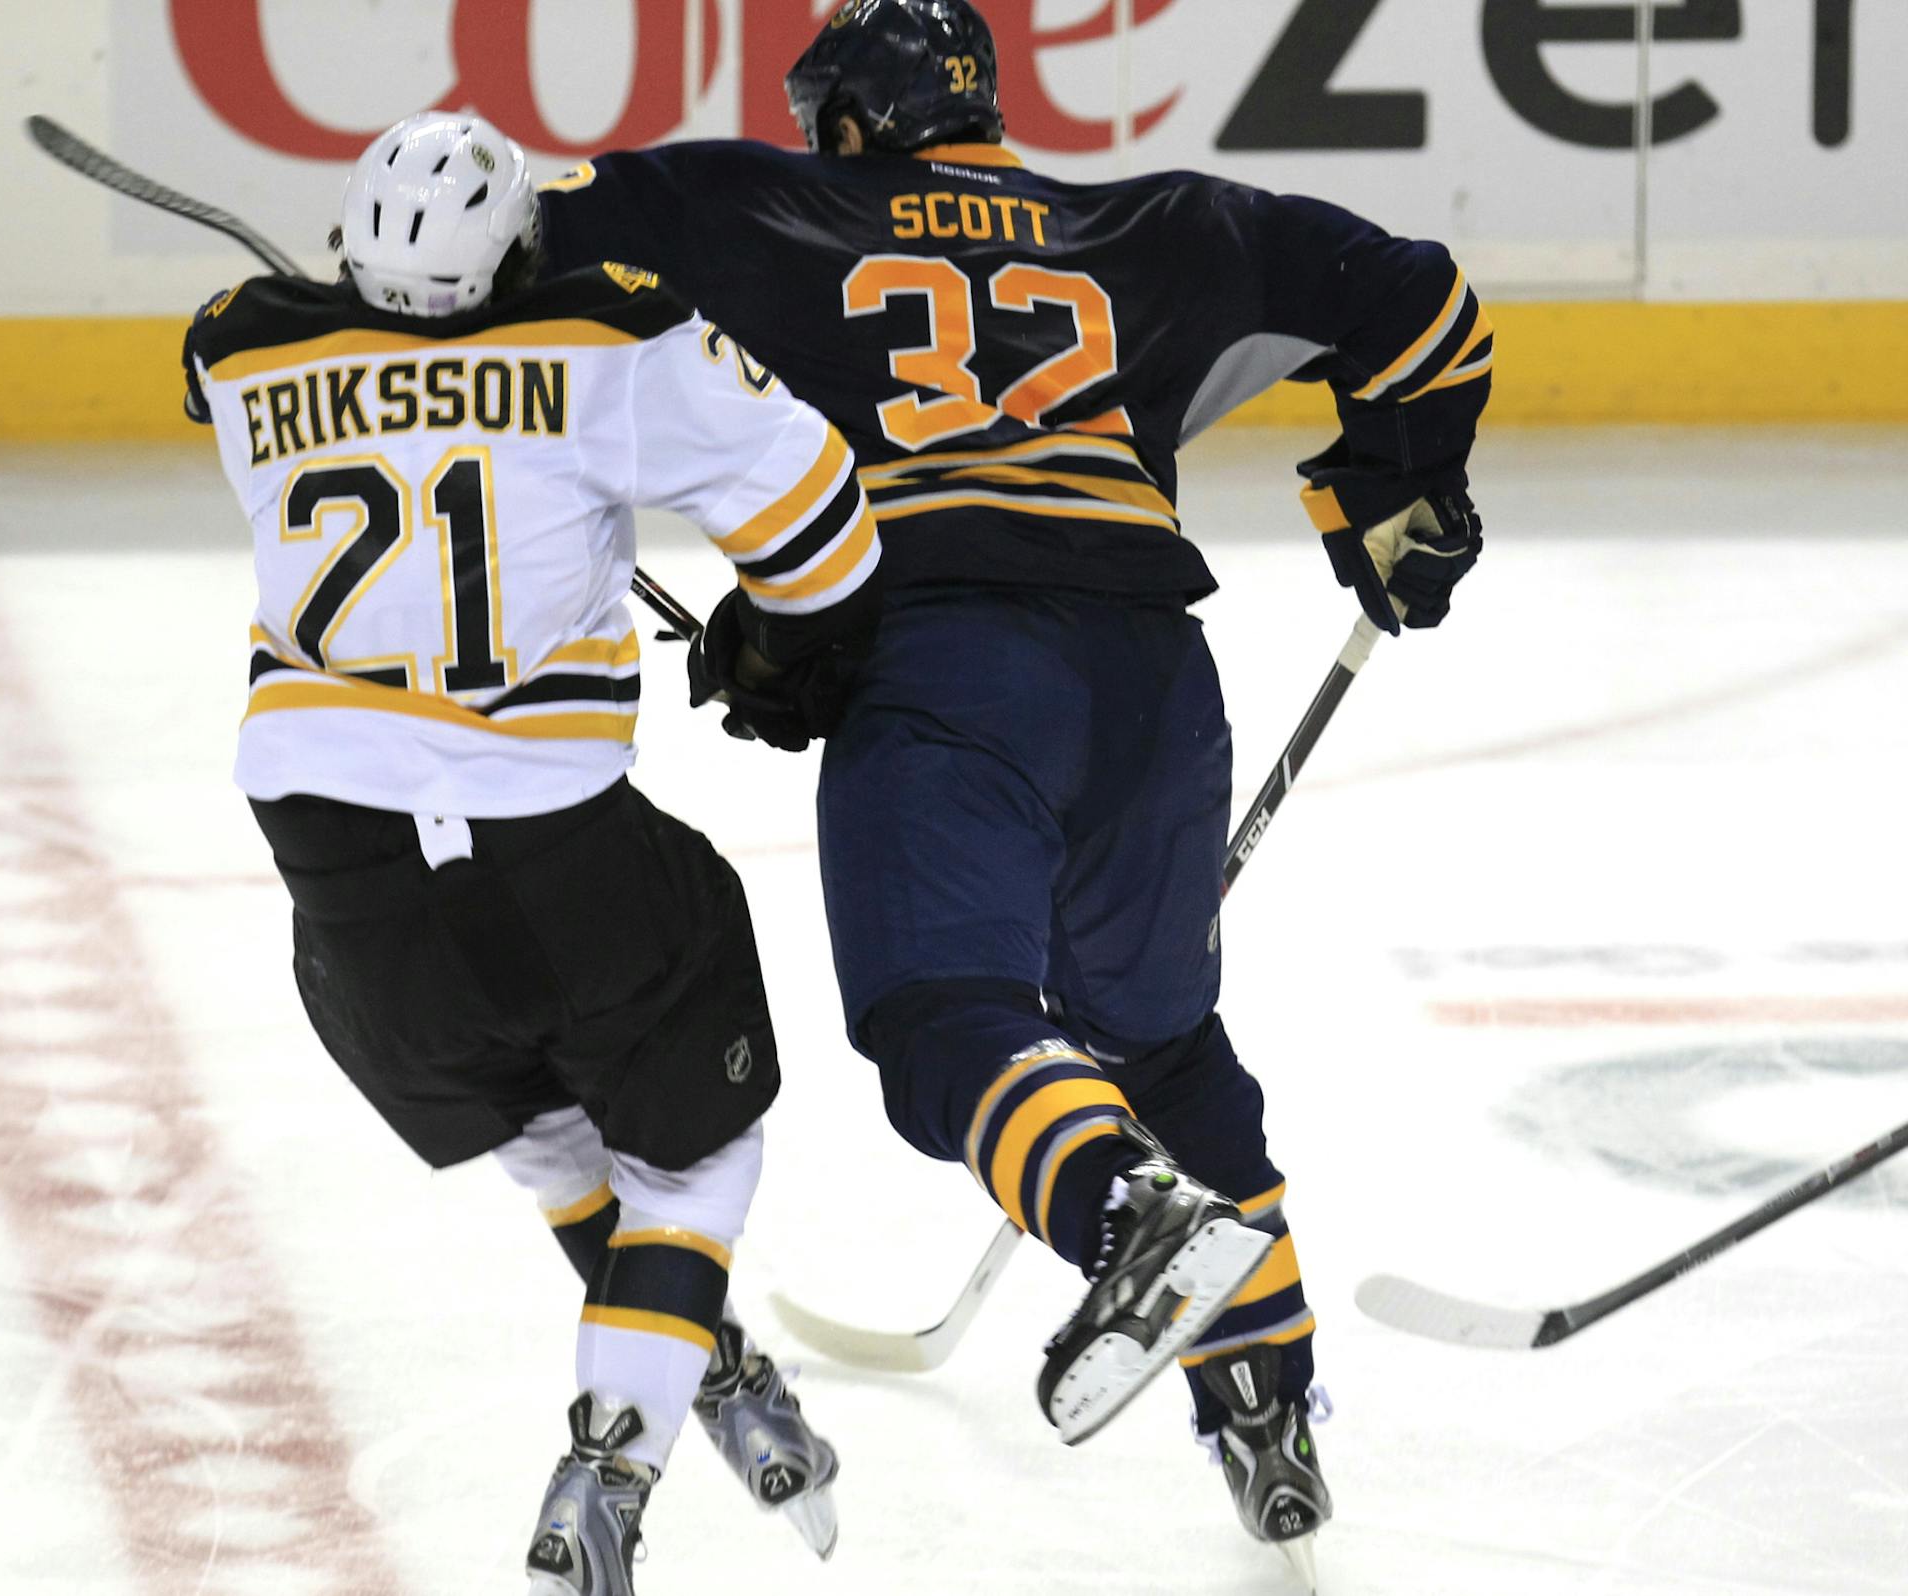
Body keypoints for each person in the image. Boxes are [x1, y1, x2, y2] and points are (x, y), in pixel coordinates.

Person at [533, 0, 1492, 1581]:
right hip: (1155, 692)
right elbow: (1424, 303)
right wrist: (1393, 489)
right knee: (1163, 1044)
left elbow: (526, 246)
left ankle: (1128, 1218)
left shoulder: (763, 203)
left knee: (947, 1025)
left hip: (949, 669)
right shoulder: (1161, 222)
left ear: (848, 119)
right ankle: (1266, 1394)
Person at [180, 112, 878, 1595]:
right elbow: (824, 529)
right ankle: (611, 1468)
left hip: (337, 873)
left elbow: (243, 354)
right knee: (697, 1157)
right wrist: (777, 654)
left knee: (550, 1134)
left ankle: (712, 1367)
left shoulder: (240, 356)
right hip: (549, 838)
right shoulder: (611, 336)